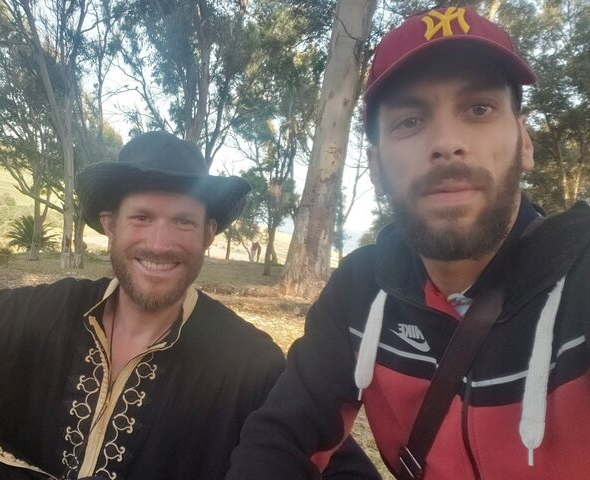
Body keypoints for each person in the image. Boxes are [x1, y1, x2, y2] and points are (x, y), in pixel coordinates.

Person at [0, 131, 376, 480]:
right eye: (142, 218)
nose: (160, 243)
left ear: (207, 235)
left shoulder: (247, 362)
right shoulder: (49, 309)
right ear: (110, 226)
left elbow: (330, 456)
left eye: (182, 222)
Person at [226, 6, 590, 480]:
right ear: (375, 169)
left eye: (478, 109)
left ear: (524, 141)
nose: (446, 142)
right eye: (410, 121)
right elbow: (278, 442)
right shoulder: (360, 289)